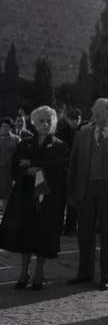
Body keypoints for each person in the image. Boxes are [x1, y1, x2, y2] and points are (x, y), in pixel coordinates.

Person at [67, 98, 108, 291]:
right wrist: (71, 191)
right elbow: (73, 164)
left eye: (98, 109)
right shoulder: (82, 134)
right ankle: (84, 273)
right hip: (85, 189)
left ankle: (107, 276)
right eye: (93, 108)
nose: (94, 112)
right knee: (84, 233)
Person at [0, 106, 68, 290]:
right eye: (41, 121)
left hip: (48, 197)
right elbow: (15, 167)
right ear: (34, 123)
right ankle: (24, 272)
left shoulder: (60, 145)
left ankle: (39, 272)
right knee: (25, 234)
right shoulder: (25, 143)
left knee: (43, 234)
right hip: (25, 195)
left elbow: (57, 168)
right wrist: (30, 169)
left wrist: (32, 163)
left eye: (49, 121)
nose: (45, 124)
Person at [56, 108, 83, 236]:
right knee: (61, 200)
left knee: (73, 200)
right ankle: (59, 225)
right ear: (68, 119)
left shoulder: (84, 132)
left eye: (77, 118)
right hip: (64, 169)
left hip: (78, 170)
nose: (75, 121)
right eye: (73, 118)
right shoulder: (61, 133)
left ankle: (71, 227)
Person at [0, 117, 20, 210]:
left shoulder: (16, 139)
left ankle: (4, 215)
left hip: (9, 171)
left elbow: (20, 154)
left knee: (7, 195)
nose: (4, 128)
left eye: (7, 126)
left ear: (11, 128)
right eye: (3, 126)